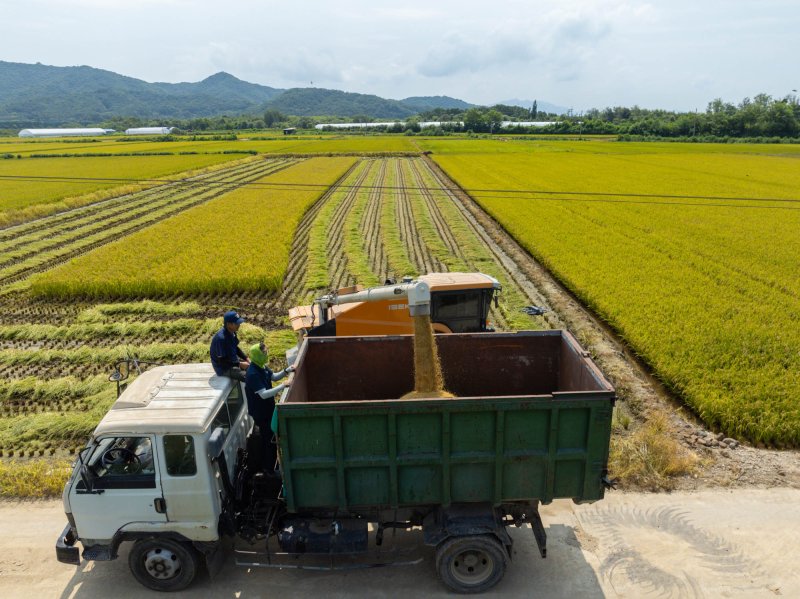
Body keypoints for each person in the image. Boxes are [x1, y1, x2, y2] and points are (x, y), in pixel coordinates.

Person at [244, 342, 293, 475]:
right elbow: (264, 394)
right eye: (264, 353)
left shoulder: (261, 366)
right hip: (261, 413)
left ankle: (270, 465)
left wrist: (287, 371)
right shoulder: (253, 374)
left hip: (267, 409)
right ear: (258, 355)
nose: (266, 354)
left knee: (271, 437)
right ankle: (268, 469)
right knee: (268, 440)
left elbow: (273, 376)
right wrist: (283, 386)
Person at [210, 310, 250, 381]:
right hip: (224, 368)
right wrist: (240, 364)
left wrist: (246, 358)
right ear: (229, 324)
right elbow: (222, 361)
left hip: (233, 360)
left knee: (255, 367)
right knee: (250, 377)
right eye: (236, 323)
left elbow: (236, 348)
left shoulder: (232, 332)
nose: (239, 325)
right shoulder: (221, 339)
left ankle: (272, 376)